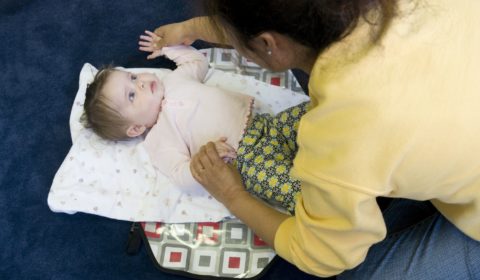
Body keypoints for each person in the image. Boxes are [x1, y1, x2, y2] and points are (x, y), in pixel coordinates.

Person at [152, 0, 480, 279]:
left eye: (238, 42)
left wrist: (232, 194)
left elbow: (321, 254)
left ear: (269, 44)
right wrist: (193, 27)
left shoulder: (342, 127)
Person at [81, 31, 309, 214]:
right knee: (293, 190)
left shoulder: (174, 80)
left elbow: (196, 61)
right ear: (136, 128)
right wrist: (205, 162)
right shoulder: (158, 139)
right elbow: (181, 174)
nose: (140, 82)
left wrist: (167, 47)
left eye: (132, 77)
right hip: (248, 160)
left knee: (313, 115)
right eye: (131, 95)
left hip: (267, 125)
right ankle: (329, 212)